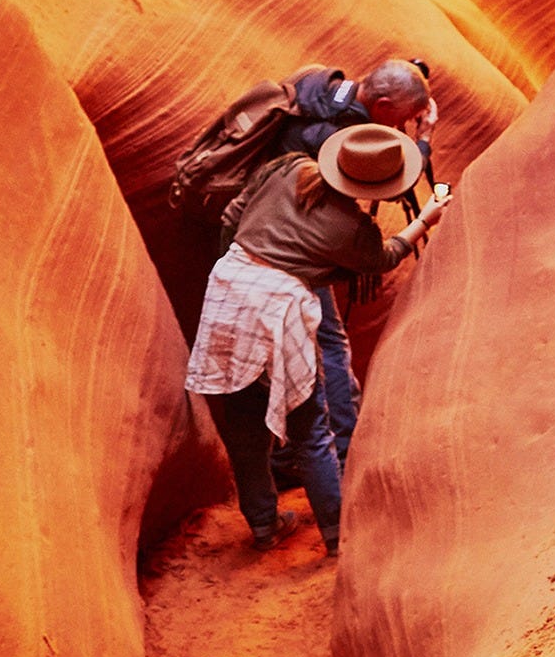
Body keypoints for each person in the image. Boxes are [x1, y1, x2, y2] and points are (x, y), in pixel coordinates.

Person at [189, 123, 452, 554]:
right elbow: (382, 258)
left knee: (243, 421)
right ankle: (336, 532)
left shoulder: (287, 166)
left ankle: (263, 525)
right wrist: (425, 219)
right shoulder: (351, 229)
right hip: (277, 310)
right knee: (310, 426)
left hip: (227, 293)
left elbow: (236, 216)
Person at [263, 58, 435, 484]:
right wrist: (425, 139)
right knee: (331, 349)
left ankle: (286, 460)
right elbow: (397, 185)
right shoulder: (348, 137)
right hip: (300, 247)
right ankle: (341, 453)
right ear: (380, 104)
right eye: (404, 117)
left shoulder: (325, 86)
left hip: (266, 226)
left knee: (293, 353)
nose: (405, 126)